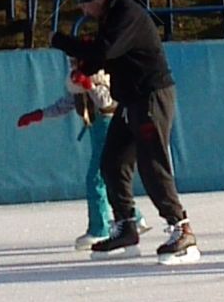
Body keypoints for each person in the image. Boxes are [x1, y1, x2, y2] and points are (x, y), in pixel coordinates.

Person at [50, 0, 200, 265]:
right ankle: (126, 227)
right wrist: (84, 68)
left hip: (151, 97)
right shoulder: (111, 15)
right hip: (131, 100)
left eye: (83, 4)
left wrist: (64, 43)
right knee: (113, 162)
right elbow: (102, 58)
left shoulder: (126, 13)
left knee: (151, 162)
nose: (82, 10)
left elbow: (104, 52)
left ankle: (182, 230)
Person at [17, 59, 149, 250]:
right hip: (97, 129)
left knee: (96, 179)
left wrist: (90, 84)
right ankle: (133, 217)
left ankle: (100, 228)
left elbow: (106, 101)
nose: (73, 66)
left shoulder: (103, 76)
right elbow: (66, 104)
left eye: (77, 61)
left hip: (110, 127)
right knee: (108, 178)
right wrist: (39, 115)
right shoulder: (77, 84)